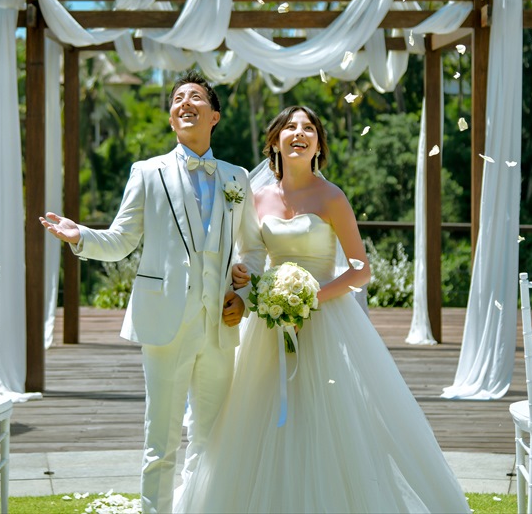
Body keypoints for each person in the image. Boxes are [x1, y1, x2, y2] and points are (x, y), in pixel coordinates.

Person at [176, 105, 470, 514]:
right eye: (291, 127)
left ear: (318, 145)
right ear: (276, 141)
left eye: (309, 128)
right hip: (270, 323)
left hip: (327, 319)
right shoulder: (256, 198)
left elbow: (360, 270)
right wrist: (249, 281)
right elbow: (251, 257)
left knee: (328, 417)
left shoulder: (332, 197)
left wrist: (312, 297)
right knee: (259, 416)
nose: (300, 133)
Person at [40, 70, 266, 514]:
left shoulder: (237, 178)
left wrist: (245, 291)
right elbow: (122, 240)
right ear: (170, 117)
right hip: (166, 323)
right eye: (178, 98)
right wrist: (79, 235)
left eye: (195, 97)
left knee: (211, 439)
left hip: (220, 326)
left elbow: (254, 248)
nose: (185, 103)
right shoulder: (147, 172)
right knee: (160, 441)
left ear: (214, 115)